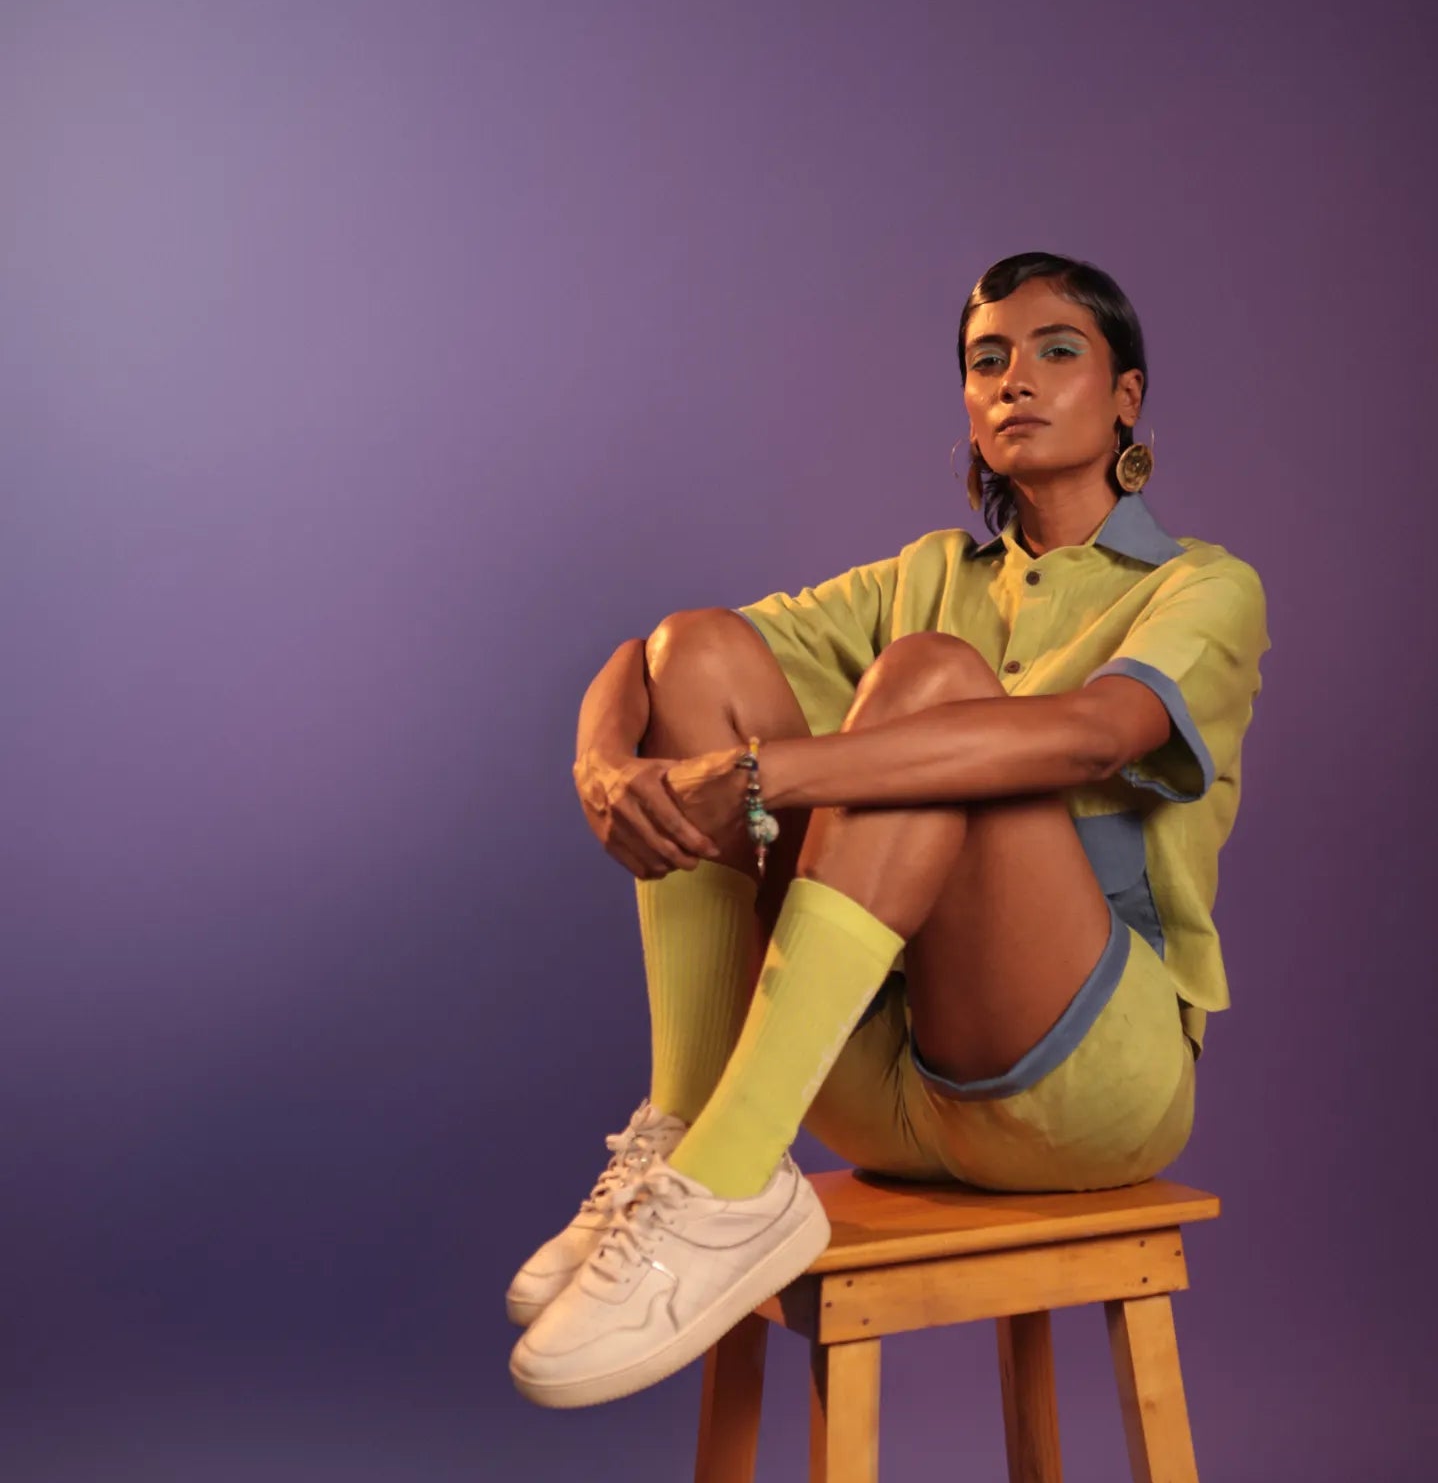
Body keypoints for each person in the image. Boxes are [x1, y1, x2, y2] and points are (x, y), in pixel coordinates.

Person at [506, 251, 1268, 1409]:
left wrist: (762, 777)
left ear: (1125, 397)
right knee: (697, 648)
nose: (1014, 379)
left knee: (930, 682)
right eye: (985, 360)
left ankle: (724, 1184)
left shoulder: (1201, 587)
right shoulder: (928, 573)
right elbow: (654, 658)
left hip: (1076, 1088)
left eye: (1056, 351)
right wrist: (602, 765)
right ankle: (694, 1142)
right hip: (868, 1077)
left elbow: (1089, 737)